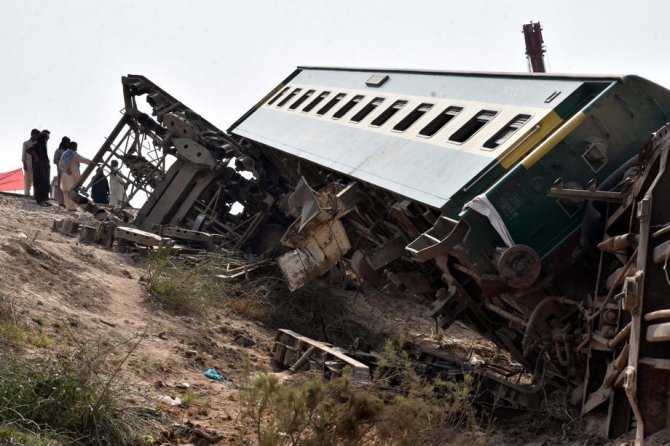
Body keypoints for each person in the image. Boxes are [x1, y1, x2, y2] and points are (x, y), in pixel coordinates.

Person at [59, 141, 93, 211]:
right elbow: (84, 160)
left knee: (66, 192)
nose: (76, 148)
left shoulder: (64, 154)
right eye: (75, 147)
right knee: (73, 191)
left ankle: (68, 207)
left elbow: (60, 165)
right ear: (72, 147)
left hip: (65, 176)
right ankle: (72, 207)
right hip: (72, 177)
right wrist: (93, 162)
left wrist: (65, 170)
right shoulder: (74, 155)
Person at [27, 130, 51, 206]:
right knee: (39, 183)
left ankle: (44, 199)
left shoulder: (43, 144)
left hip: (44, 167)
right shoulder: (37, 144)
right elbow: (29, 150)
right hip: (39, 168)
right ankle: (39, 200)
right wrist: (36, 156)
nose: (47, 139)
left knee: (45, 184)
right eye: (46, 138)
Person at [53, 136, 70, 207]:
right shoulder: (58, 150)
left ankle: (67, 201)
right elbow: (55, 160)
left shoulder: (69, 151)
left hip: (68, 172)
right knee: (61, 187)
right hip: (61, 171)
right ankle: (61, 202)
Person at [21, 129, 39, 196]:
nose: (36, 137)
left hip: (35, 165)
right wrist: (24, 164)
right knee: (27, 180)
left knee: (35, 180)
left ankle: (35, 194)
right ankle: (26, 194)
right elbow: (23, 154)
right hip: (28, 164)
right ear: (32, 134)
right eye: (36, 135)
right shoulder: (26, 143)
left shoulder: (37, 144)